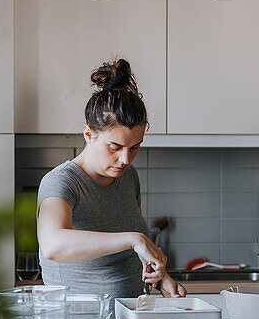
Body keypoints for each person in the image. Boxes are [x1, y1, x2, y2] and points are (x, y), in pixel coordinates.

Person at [37, 58, 186, 299]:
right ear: (89, 134)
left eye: (135, 147)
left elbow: (132, 253)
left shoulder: (128, 177)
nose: (126, 159)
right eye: (115, 146)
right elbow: (53, 245)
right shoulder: (62, 182)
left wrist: (161, 279)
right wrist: (133, 239)